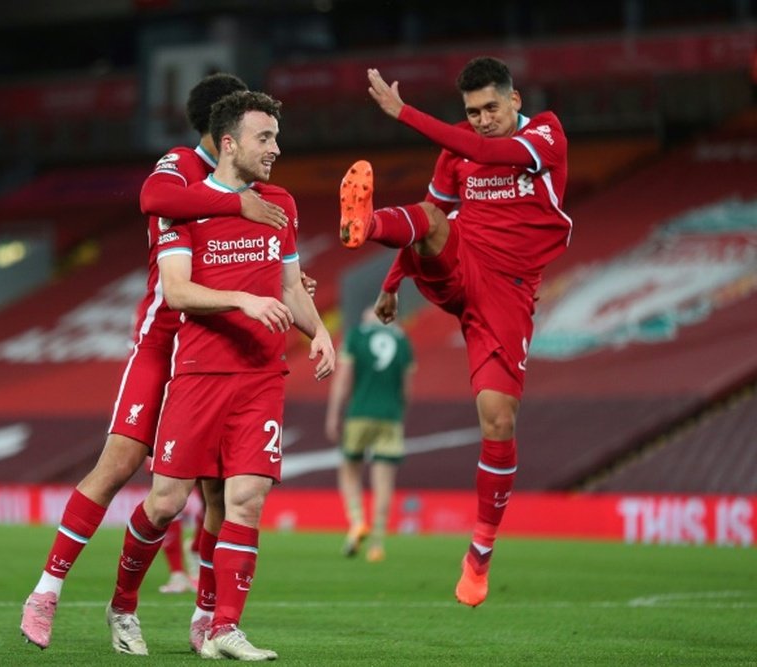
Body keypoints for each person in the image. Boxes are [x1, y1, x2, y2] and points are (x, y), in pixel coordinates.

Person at [19, 72, 300, 652]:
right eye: (251, 127)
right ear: (222, 130)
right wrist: (235, 206)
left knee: (223, 497)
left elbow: (268, 261)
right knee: (121, 463)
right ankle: (47, 590)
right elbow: (153, 199)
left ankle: (208, 619)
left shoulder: (260, 191)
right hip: (164, 345)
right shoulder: (179, 166)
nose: (264, 141)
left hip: (219, 351)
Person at [104, 89, 335, 661]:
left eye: (277, 137)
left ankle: (221, 627)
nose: (275, 148)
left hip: (261, 376)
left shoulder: (280, 202)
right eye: (265, 138)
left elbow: (288, 287)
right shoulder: (183, 204)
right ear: (229, 142)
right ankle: (123, 606)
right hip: (200, 372)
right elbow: (178, 291)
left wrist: (321, 331)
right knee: (164, 504)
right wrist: (242, 301)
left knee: (247, 499)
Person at [338, 57, 572, 607]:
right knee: (435, 219)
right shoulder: (457, 150)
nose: (483, 120)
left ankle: (479, 555)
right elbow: (430, 213)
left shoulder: (546, 134)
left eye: (492, 107)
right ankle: (366, 224)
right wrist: (393, 283)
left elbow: (491, 152)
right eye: (473, 112)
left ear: (515, 101)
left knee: (498, 418)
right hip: (461, 263)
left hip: (507, 294)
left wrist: (403, 113)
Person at [325, 305, 415, 563]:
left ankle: (356, 520)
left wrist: (333, 414)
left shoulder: (356, 336)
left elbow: (342, 379)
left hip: (359, 414)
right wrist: (400, 414)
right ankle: (377, 543)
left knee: (349, 469)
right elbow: (407, 389)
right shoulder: (403, 341)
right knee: (384, 481)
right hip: (390, 417)